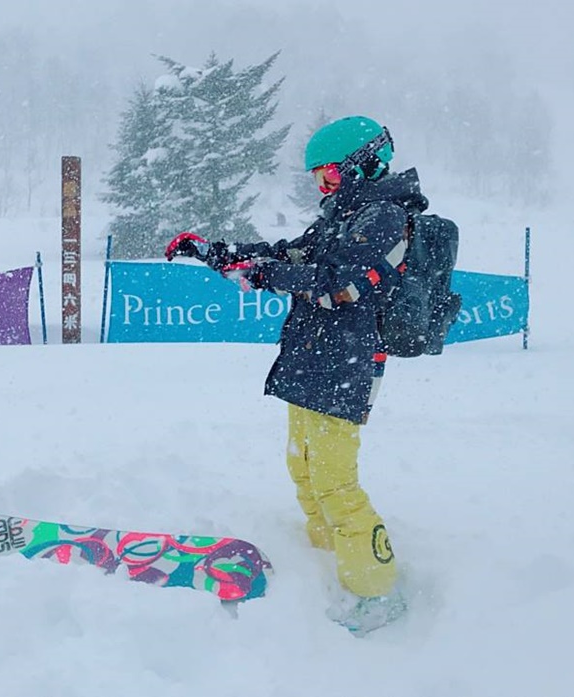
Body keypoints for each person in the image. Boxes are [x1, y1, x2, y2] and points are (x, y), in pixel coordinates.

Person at [165, 115, 426, 635]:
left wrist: (266, 274)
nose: (323, 188)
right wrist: (219, 253)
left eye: (329, 175)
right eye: (317, 180)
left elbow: (342, 287)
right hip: (312, 358)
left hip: (347, 364)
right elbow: (288, 256)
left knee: (335, 483)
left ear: (363, 165)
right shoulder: (343, 216)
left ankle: (375, 593)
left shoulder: (386, 217)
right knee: (304, 472)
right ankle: (328, 565)